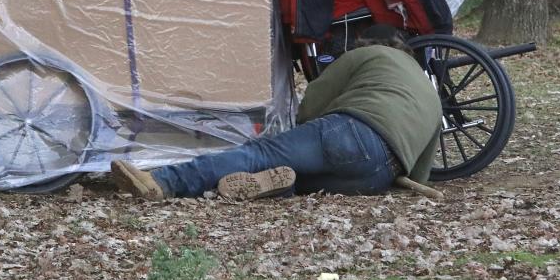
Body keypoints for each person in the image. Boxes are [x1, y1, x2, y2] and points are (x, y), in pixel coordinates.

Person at [111, 24, 443, 201]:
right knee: (297, 177)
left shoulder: (371, 55)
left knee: (262, 153)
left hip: (353, 133)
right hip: (378, 176)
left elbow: (314, 99)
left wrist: (304, 134)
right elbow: (421, 171)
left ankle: (162, 182)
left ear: (369, 43)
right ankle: (266, 187)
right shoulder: (430, 91)